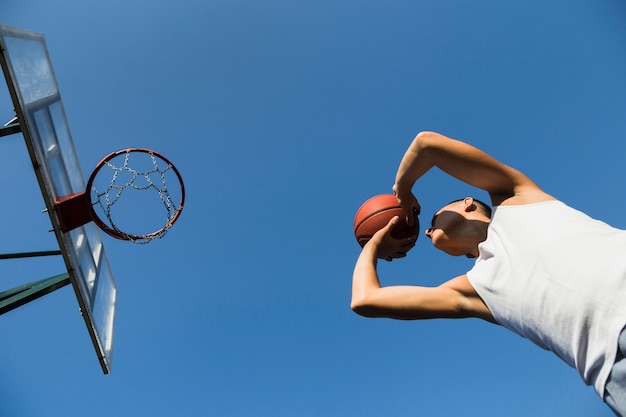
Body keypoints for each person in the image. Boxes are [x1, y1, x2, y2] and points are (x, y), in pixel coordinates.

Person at [351, 131, 626, 416]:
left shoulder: (517, 197)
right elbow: (365, 299)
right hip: (613, 365)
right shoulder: (473, 291)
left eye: (433, 219)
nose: (428, 230)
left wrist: (403, 190)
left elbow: (426, 144)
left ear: (467, 204)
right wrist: (374, 245)